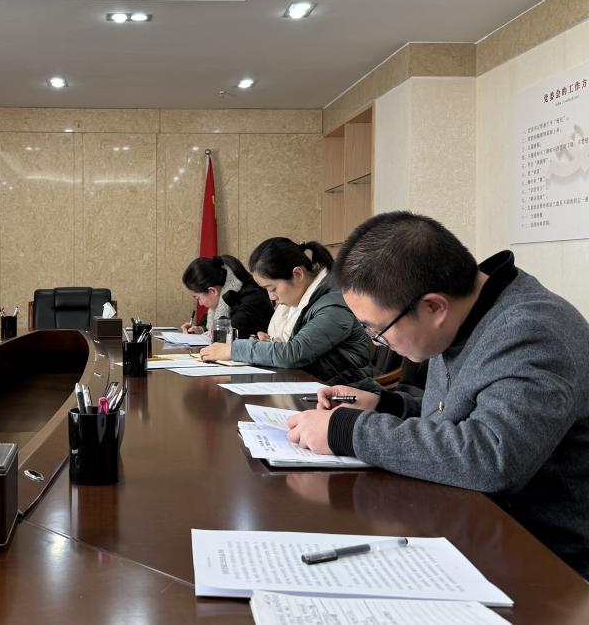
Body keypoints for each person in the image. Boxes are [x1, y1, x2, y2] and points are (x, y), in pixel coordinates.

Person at [285, 211, 589, 578]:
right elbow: (462, 414)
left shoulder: (532, 334)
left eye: (377, 329)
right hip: (470, 523)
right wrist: (387, 404)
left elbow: (492, 457)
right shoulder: (468, 312)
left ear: (433, 307)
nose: (376, 343)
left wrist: (346, 430)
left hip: (545, 562)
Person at [200, 238, 377, 389]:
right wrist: (270, 344)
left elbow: (293, 353)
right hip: (312, 388)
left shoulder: (334, 304)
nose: (271, 297)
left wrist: (234, 350)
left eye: (272, 288)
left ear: (297, 274)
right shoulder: (303, 300)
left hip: (345, 395)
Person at [179, 255, 273, 339]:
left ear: (213, 291)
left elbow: (231, 333)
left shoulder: (252, 297)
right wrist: (200, 329)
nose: (200, 303)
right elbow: (208, 323)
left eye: (198, 298)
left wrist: (210, 334)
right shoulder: (224, 299)